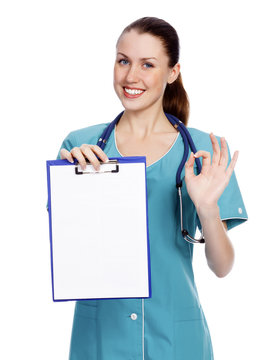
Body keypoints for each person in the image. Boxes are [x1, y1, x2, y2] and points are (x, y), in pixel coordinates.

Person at [56, 16, 248, 360]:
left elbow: (222, 267)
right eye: (123, 61)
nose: (131, 77)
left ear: (173, 72)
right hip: (100, 339)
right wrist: (71, 183)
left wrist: (207, 208)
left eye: (148, 64)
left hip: (177, 341)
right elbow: (71, 253)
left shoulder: (205, 152)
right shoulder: (80, 147)